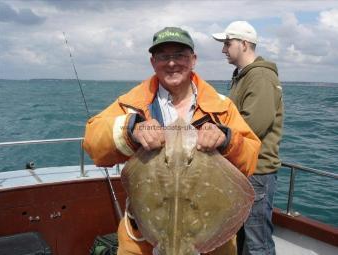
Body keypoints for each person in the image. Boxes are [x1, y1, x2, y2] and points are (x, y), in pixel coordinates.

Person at [84, 26, 261, 255]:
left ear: (193, 60)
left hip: (211, 244)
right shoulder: (132, 103)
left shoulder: (222, 107)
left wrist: (226, 139)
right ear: (152, 62)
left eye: (180, 55)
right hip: (141, 240)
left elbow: (251, 158)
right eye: (163, 56)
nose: (171, 63)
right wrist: (132, 129)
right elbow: (92, 140)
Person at [212, 21, 284, 255]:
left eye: (227, 43)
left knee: (257, 243)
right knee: (242, 238)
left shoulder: (260, 76)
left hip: (257, 171)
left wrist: (216, 133)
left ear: (244, 44)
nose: (223, 49)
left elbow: (254, 126)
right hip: (242, 169)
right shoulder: (243, 76)